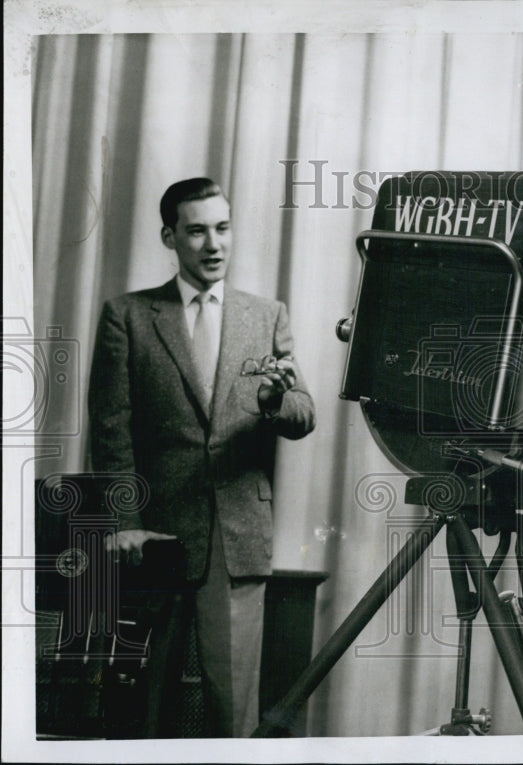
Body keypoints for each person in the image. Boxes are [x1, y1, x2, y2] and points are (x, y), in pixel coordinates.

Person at [89, 177, 316, 737]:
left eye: (222, 228)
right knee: (145, 705)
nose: (213, 244)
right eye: (196, 231)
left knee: (232, 708)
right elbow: (111, 429)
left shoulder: (266, 316)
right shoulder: (129, 316)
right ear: (170, 237)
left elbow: (304, 415)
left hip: (236, 536)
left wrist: (272, 402)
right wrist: (125, 523)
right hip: (156, 538)